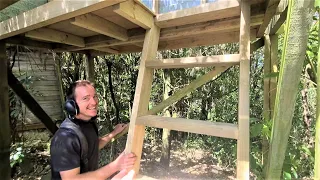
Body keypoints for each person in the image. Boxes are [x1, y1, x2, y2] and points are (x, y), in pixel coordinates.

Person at [50, 80, 136, 180]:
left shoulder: (88, 123)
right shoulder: (65, 138)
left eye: (94, 96)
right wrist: (116, 165)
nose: (94, 102)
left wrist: (113, 133)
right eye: (86, 98)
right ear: (71, 106)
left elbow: (91, 147)